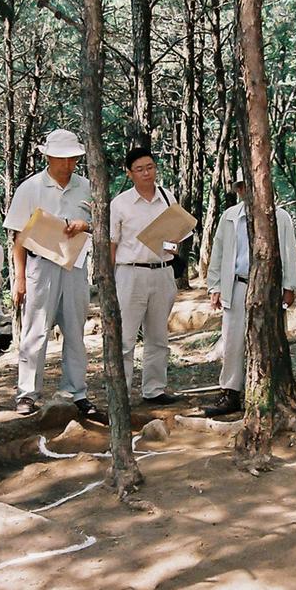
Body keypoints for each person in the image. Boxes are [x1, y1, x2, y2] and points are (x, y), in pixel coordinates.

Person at [3, 129, 106, 423]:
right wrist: (20, 278)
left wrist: (84, 225)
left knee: (75, 329)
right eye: (61, 158)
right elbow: (19, 237)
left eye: (72, 158)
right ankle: (26, 393)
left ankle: (76, 391)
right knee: (35, 329)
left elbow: (101, 223)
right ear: (47, 156)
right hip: (41, 266)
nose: (67, 164)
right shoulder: (30, 188)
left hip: (74, 264)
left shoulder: (87, 186)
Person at [203, 174, 296, 417]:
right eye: (242, 186)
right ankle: (231, 391)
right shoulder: (230, 217)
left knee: (269, 337)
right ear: (239, 189)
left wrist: (289, 286)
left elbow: (289, 252)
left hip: (269, 285)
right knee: (233, 339)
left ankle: (273, 388)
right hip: (237, 285)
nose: (247, 190)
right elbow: (219, 252)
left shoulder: (280, 217)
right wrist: (214, 286)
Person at [110, 147, 180, 406]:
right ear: (129, 174)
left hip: (162, 271)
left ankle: (154, 389)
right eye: (139, 169)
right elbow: (112, 243)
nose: (146, 173)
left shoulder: (167, 198)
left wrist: (171, 245)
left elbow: (176, 238)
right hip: (131, 273)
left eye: (150, 167)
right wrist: (108, 278)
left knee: (158, 335)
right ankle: (121, 393)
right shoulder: (120, 204)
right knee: (125, 337)